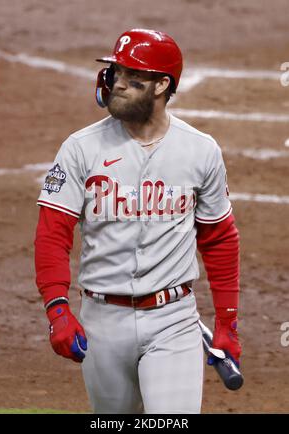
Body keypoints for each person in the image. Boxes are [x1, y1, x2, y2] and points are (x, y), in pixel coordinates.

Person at [34, 28, 241, 414]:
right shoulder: (80, 148)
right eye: (116, 73)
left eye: (134, 77)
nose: (119, 84)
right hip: (101, 321)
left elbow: (218, 238)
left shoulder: (200, 150)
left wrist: (228, 323)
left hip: (173, 320)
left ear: (162, 85)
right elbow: (52, 235)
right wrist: (57, 309)